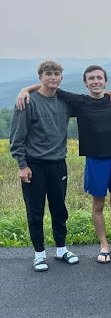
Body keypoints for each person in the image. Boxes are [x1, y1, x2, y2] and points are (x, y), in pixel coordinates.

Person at [17, 65, 111, 263]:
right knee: (98, 204)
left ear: (105, 82)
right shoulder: (79, 102)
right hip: (94, 160)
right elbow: (50, 86)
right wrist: (25, 90)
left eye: (99, 78)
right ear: (85, 82)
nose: (96, 81)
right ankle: (103, 245)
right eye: (91, 78)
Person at [10, 60, 79, 271]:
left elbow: (93, 100)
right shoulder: (27, 102)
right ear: (40, 77)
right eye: (48, 74)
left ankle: (61, 249)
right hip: (34, 164)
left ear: (61, 77)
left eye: (56, 74)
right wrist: (22, 165)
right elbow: (17, 137)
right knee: (35, 210)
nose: (53, 77)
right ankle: (39, 254)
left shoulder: (65, 101)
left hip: (58, 164)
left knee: (59, 208)